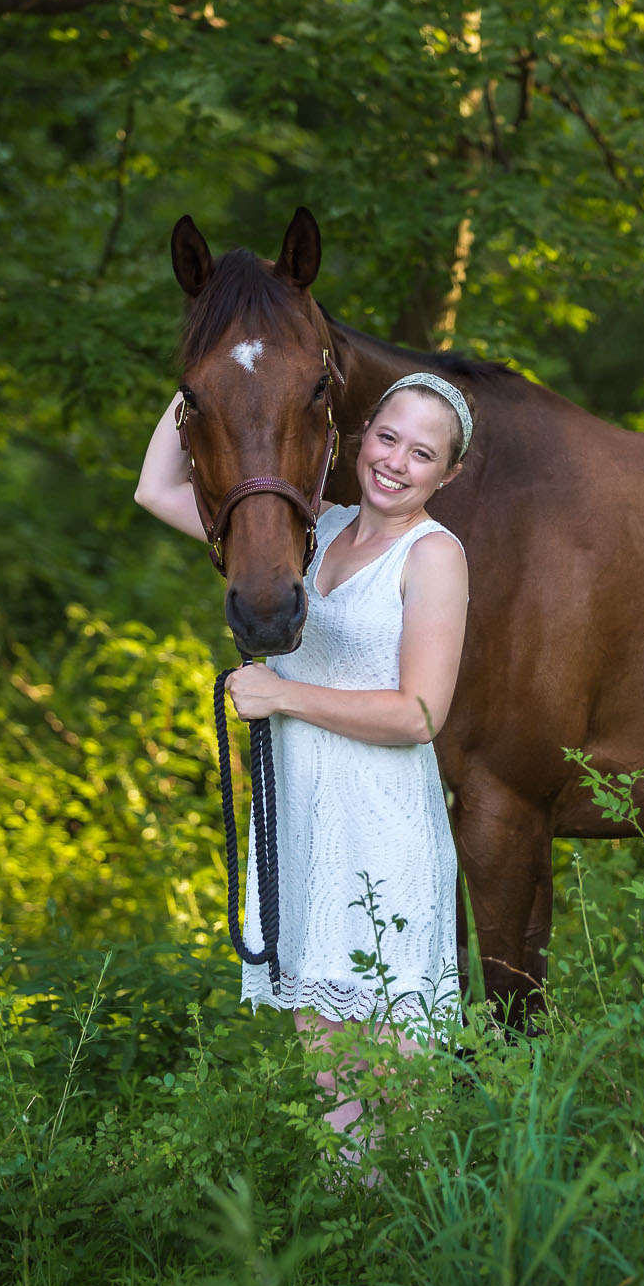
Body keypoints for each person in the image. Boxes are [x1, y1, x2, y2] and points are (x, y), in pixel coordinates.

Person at [134, 371, 473, 1163]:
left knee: (396, 1084)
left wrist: (285, 697)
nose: (396, 461)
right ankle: (349, 1256)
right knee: (333, 1085)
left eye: (422, 453)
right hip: (306, 829)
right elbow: (156, 487)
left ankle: (412, 1252)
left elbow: (420, 715)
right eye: (387, 437)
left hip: (382, 835)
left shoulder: (434, 557)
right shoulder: (310, 527)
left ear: (447, 475)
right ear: (357, 438)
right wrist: (210, 376)